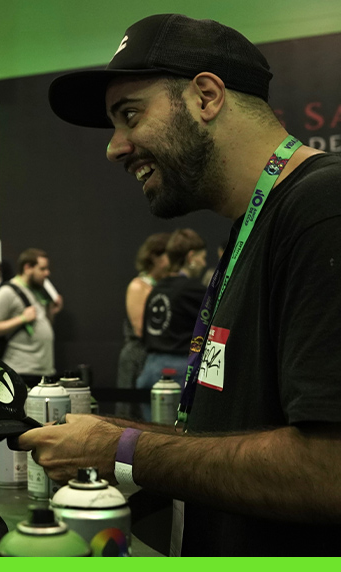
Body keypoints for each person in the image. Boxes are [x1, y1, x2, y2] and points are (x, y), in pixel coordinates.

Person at [19, 14, 341, 556]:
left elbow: (329, 470)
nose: (114, 147)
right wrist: (109, 435)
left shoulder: (323, 209)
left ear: (206, 96)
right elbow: (245, 435)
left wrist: (122, 450)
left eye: (130, 115)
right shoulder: (252, 227)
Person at [136, 229, 207, 420]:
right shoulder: (193, 290)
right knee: (178, 434)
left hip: (150, 368)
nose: (204, 263)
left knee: (152, 433)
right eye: (202, 257)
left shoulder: (157, 288)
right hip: (177, 370)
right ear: (191, 257)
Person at [0, 248, 61, 388]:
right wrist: (22, 318)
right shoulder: (7, 292)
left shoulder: (36, 291)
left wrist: (52, 310)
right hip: (22, 372)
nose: (47, 273)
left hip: (44, 371)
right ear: (27, 268)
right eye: (42, 269)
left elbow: (43, 325)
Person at [116, 232, 170, 416]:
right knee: (131, 413)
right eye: (169, 256)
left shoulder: (164, 285)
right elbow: (140, 329)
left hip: (155, 356)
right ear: (154, 257)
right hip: (137, 356)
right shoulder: (139, 286)